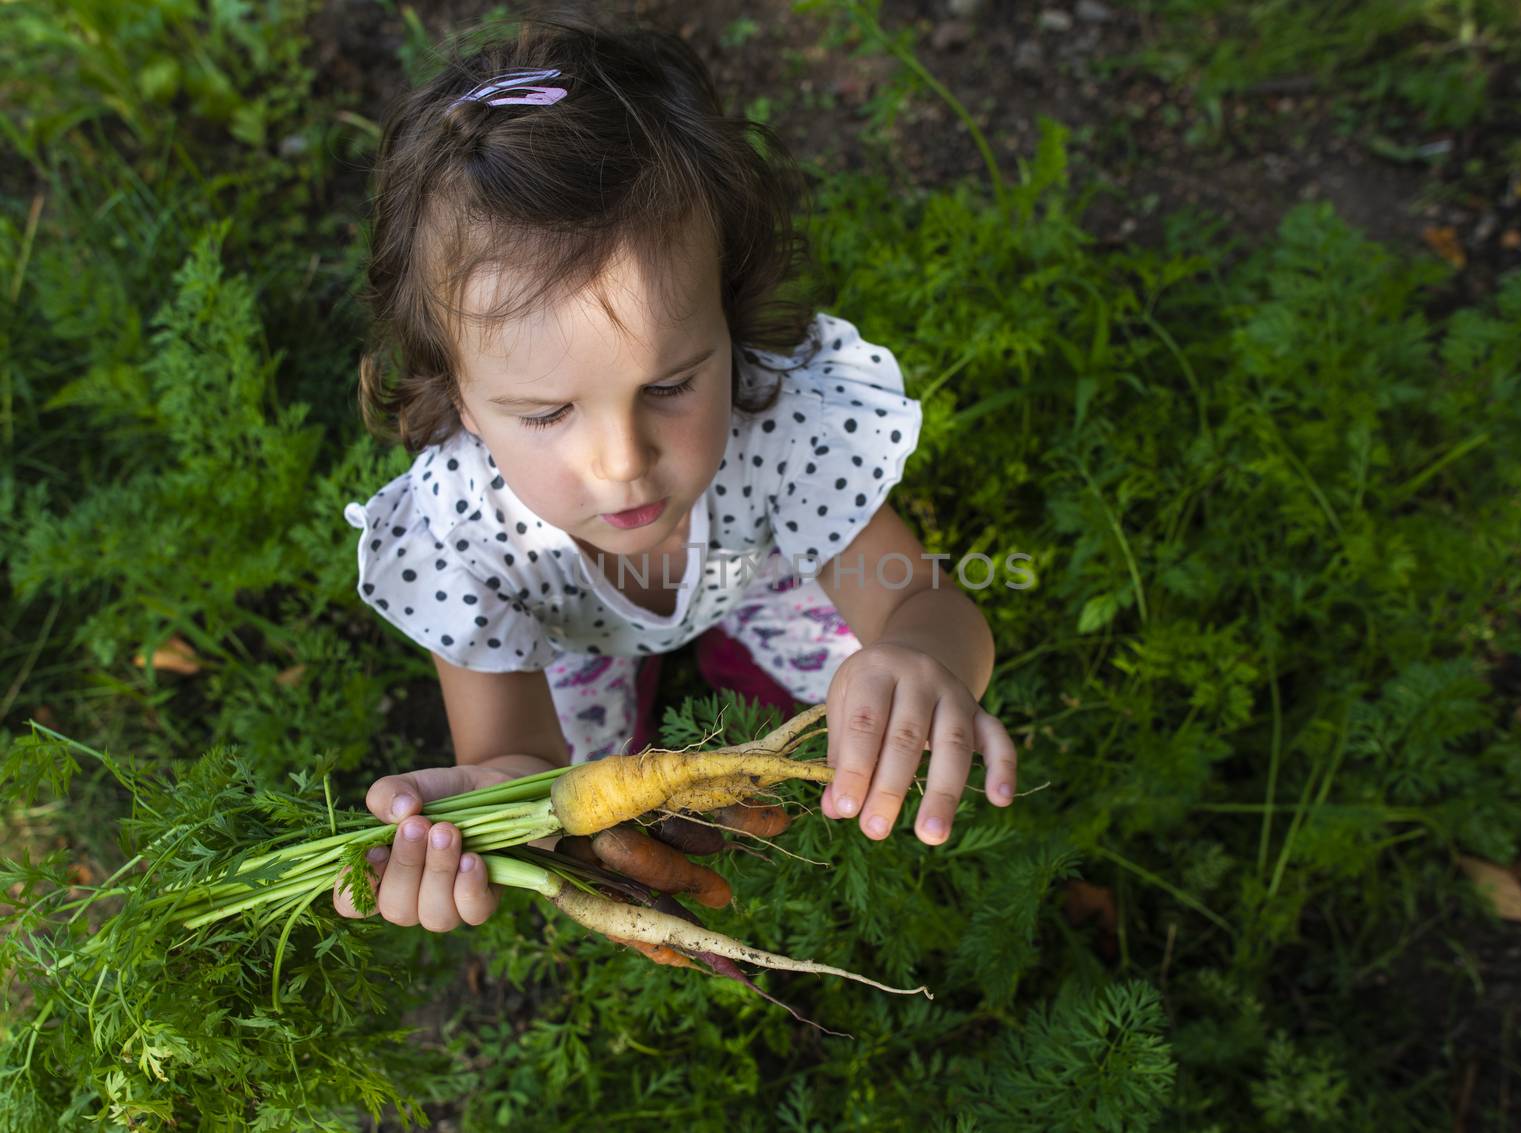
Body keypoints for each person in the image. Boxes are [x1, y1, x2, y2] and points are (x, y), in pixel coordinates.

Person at [334, 12, 1018, 933]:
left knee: (865, 690)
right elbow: (513, 758)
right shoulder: (462, 533)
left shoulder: (779, 424)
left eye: (670, 383)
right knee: (592, 790)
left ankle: (740, 652)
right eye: (545, 414)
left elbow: (919, 601)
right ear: (455, 395)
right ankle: (639, 701)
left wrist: (923, 657)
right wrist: (489, 807)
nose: (623, 463)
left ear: (728, 321)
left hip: (762, 573)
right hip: (569, 639)